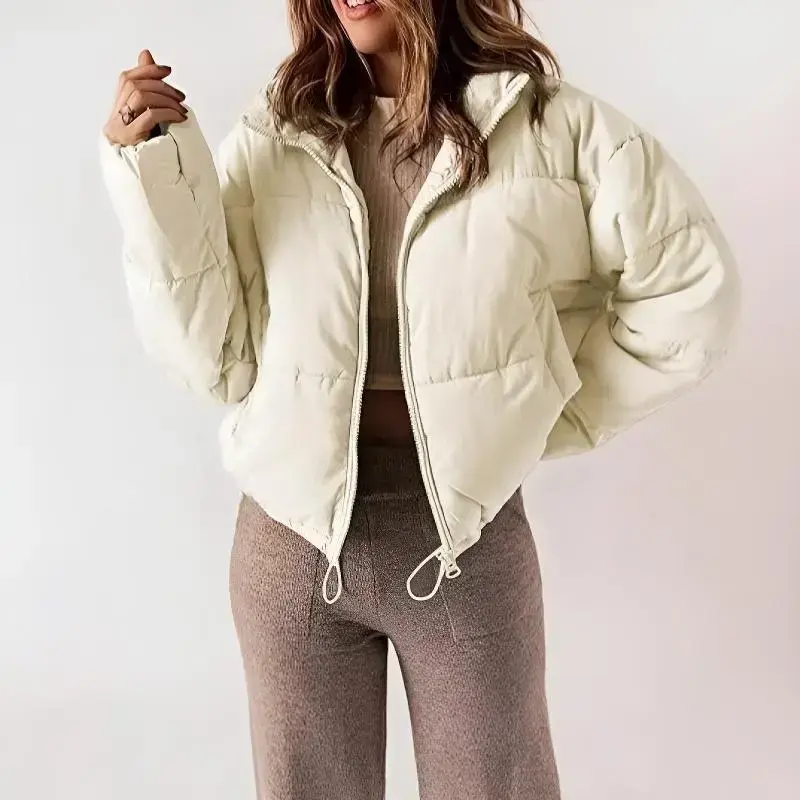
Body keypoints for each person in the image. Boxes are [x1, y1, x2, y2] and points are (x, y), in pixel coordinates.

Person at [98, 1, 740, 797]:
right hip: (291, 549)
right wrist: (154, 175)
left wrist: (539, 413)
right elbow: (215, 359)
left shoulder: (558, 130)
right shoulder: (279, 130)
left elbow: (691, 296)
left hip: (465, 544)